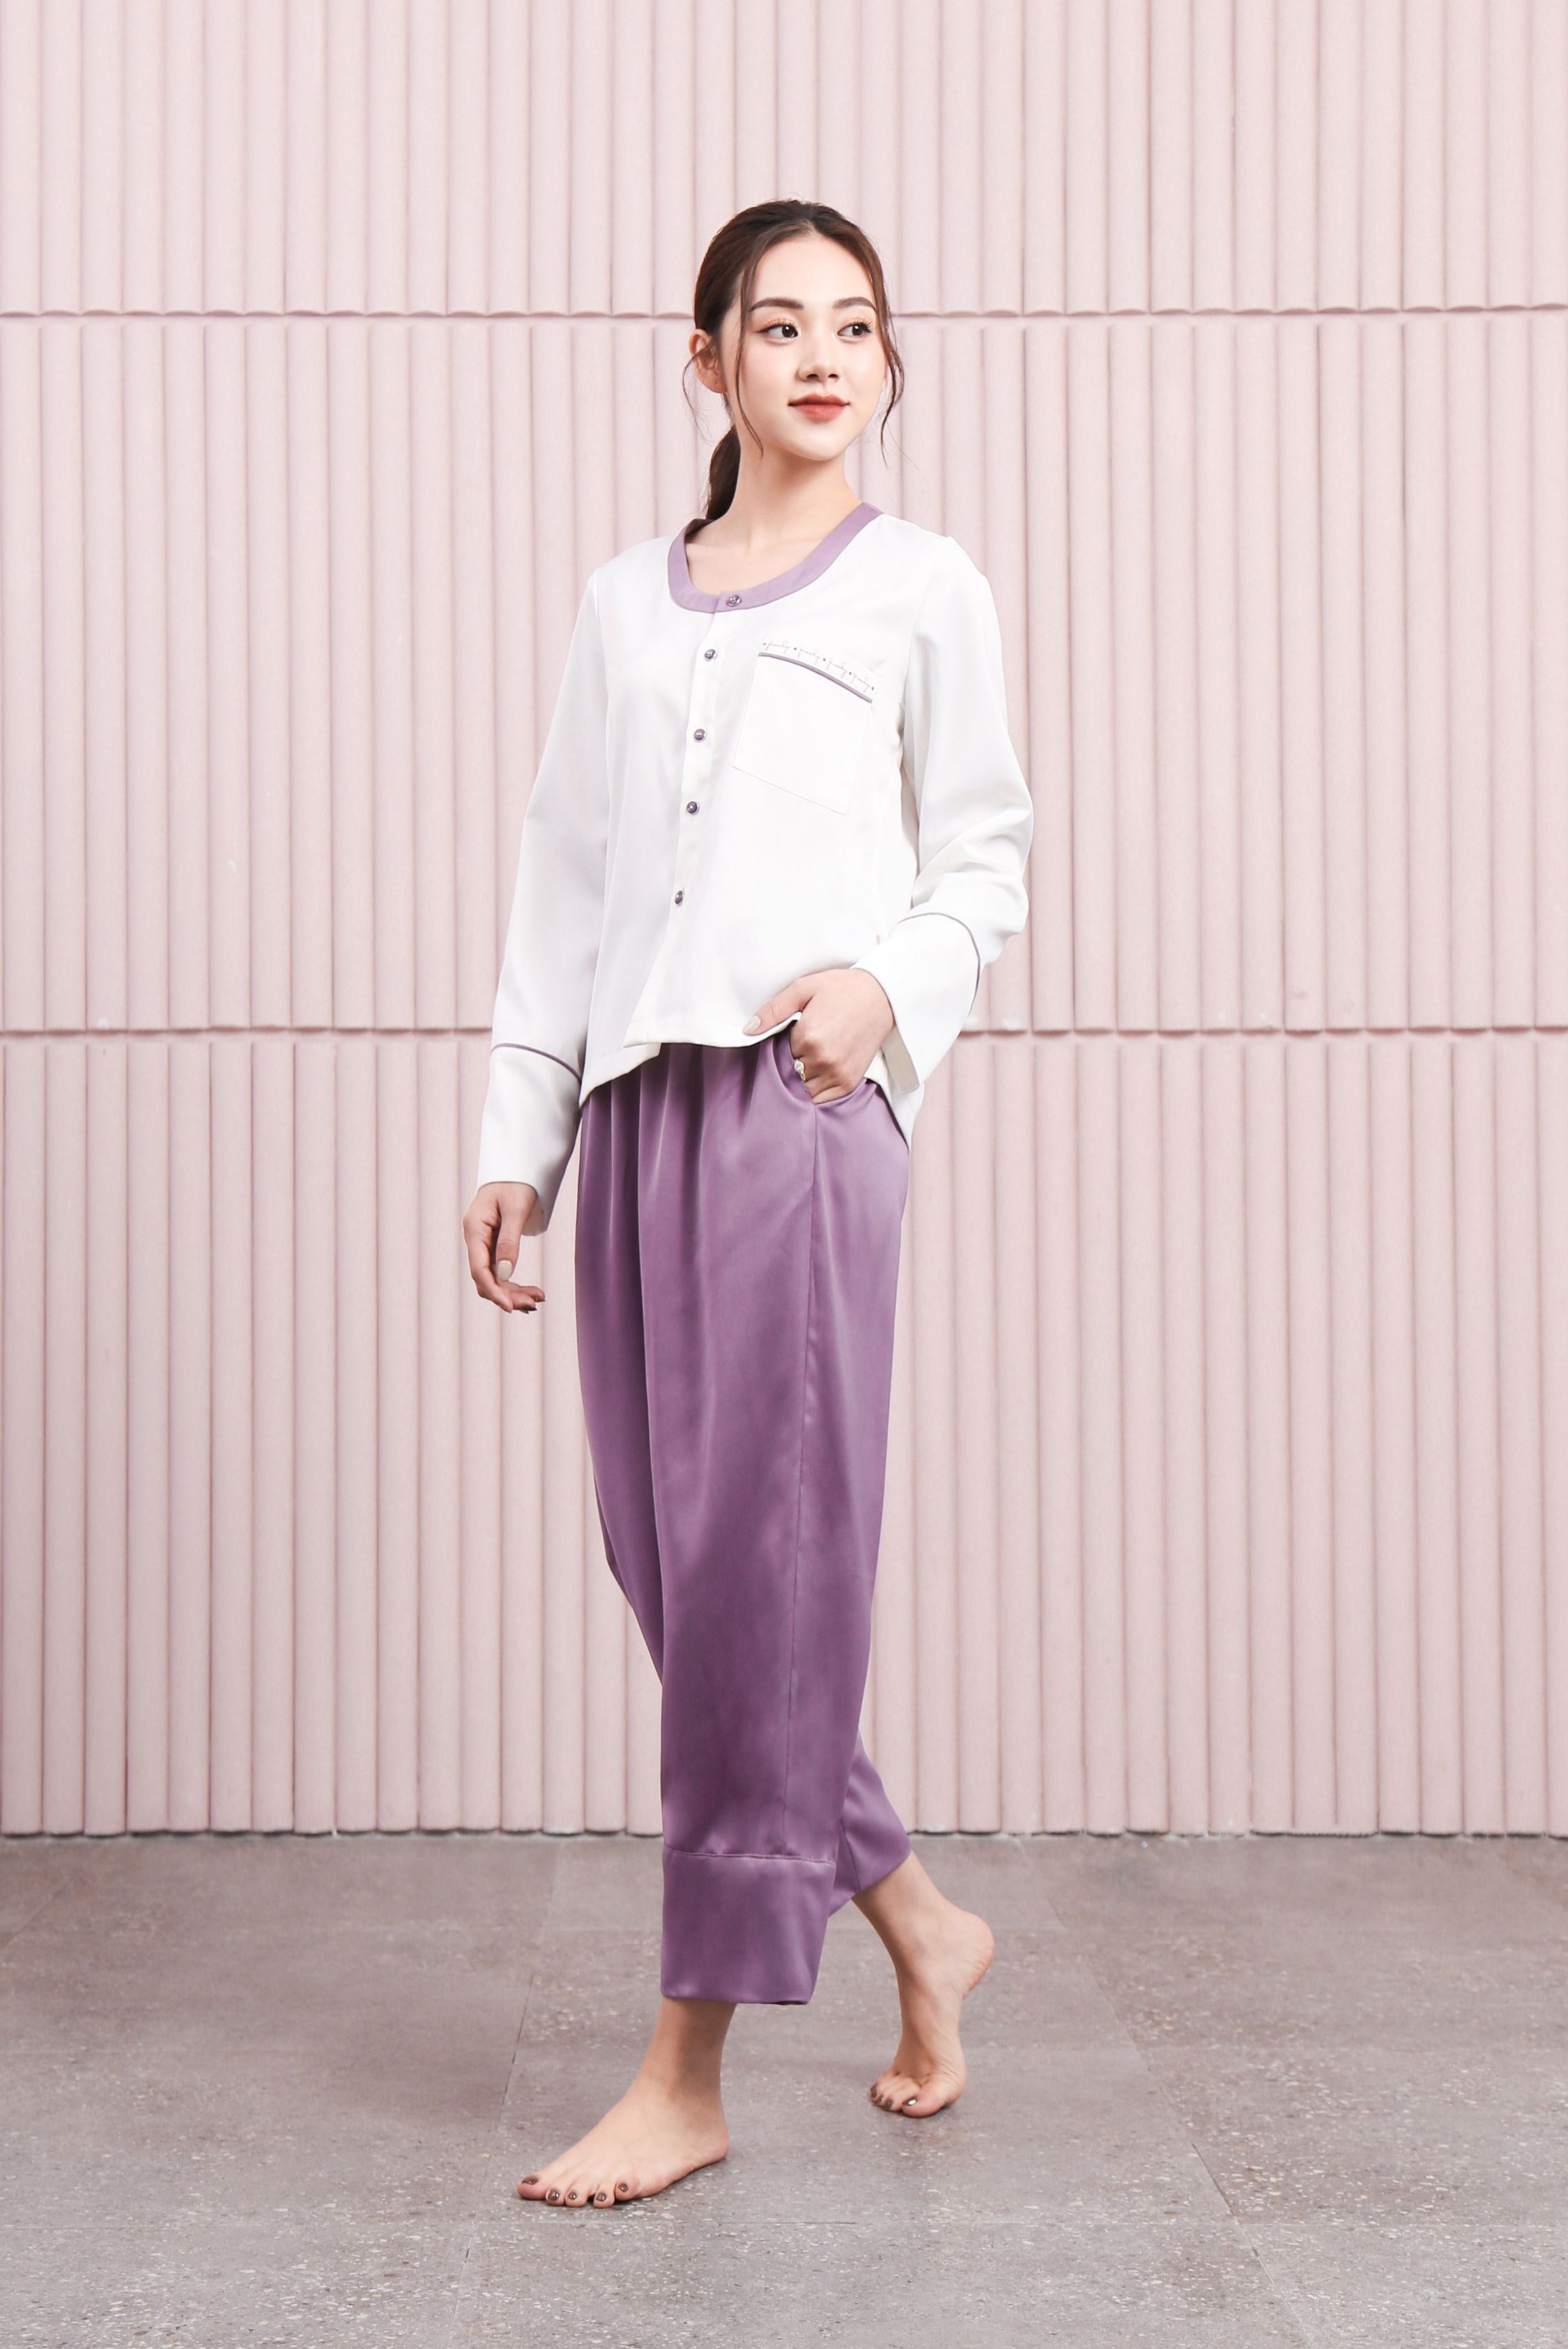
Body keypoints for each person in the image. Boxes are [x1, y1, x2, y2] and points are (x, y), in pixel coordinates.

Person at [461, 198, 1034, 2210]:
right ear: (703, 358)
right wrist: (518, 1136)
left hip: (800, 1107)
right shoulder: (624, 605)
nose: (820, 357)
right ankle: (918, 1917)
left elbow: (984, 856)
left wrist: (885, 987)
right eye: (777, 325)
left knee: (756, 1578)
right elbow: (563, 877)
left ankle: (685, 2065)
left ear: (887, 361)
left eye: (853, 326)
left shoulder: (924, 588)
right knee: (676, 1564)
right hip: (635, 1109)